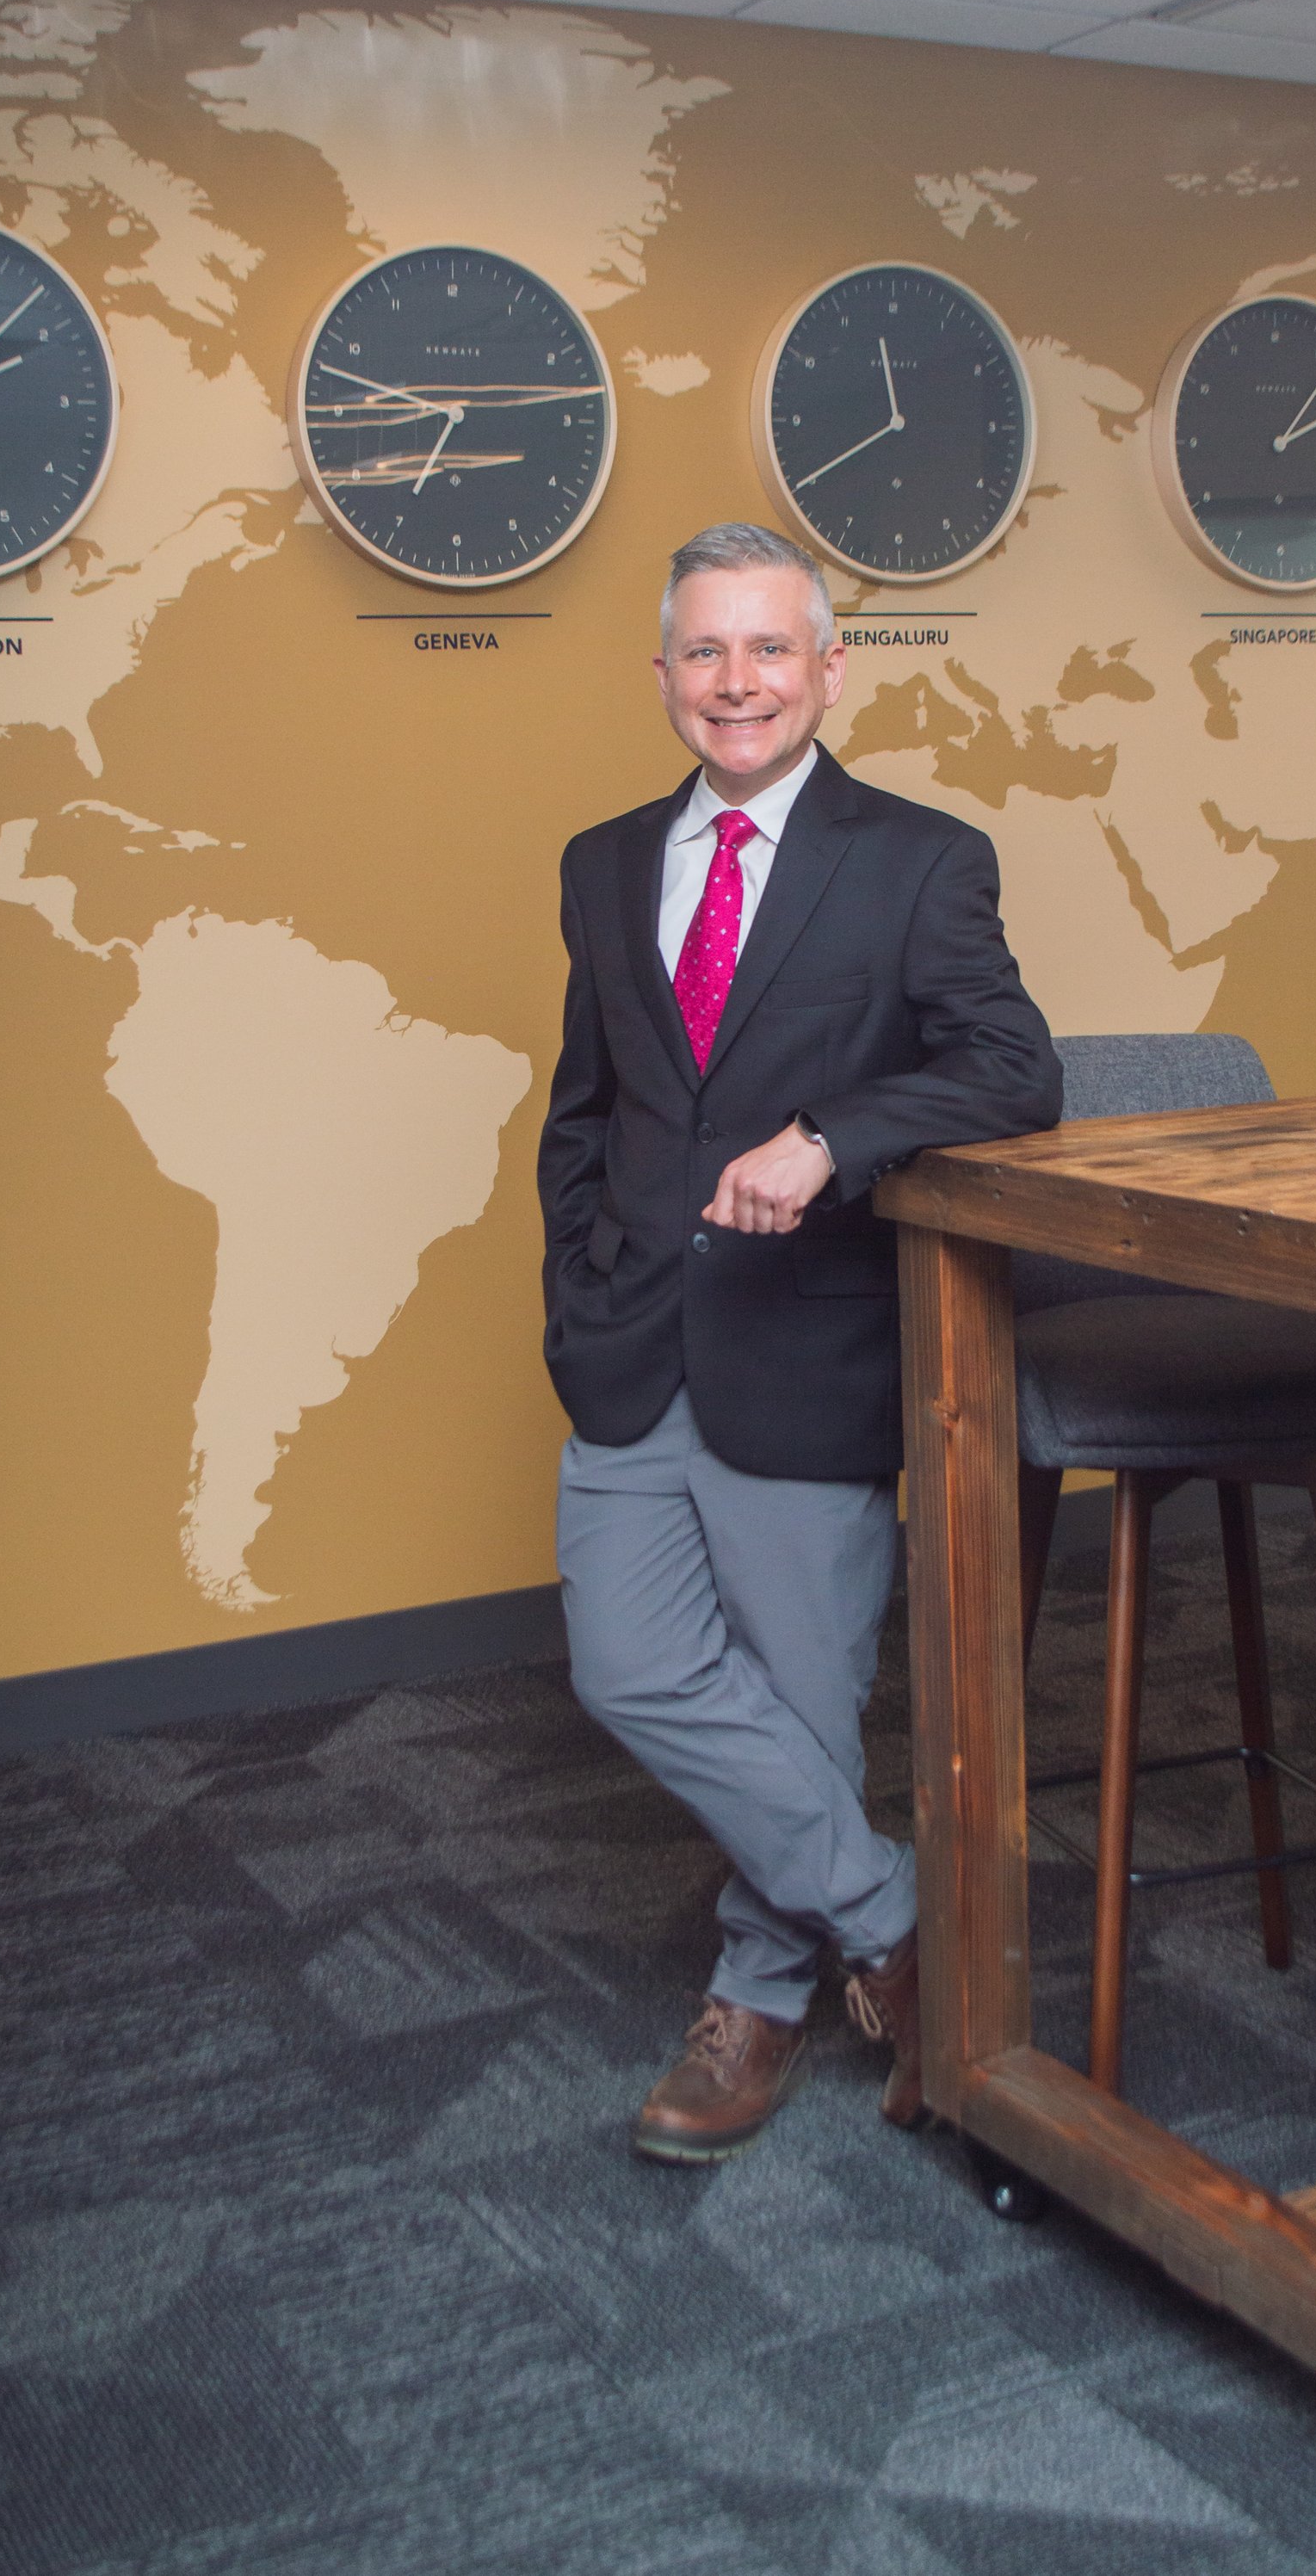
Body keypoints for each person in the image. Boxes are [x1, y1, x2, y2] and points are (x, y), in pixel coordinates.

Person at [537, 522, 1060, 2162]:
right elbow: (586, 1110)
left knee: (802, 1700)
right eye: (706, 649)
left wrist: (833, 1140)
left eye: (771, 648)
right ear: (663, 673)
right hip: (633, 1339)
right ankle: (899, 1921)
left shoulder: (918, 860)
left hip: (807, 1345)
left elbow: (1012, 1069)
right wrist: (577, 1283)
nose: (737, 680)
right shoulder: (604, 864)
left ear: (831, 670)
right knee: (628, 1664)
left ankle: (756, 1998)